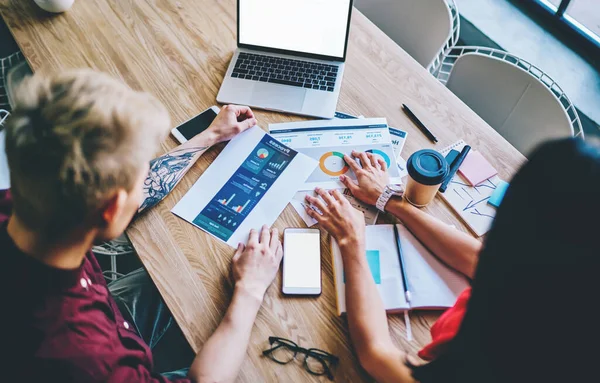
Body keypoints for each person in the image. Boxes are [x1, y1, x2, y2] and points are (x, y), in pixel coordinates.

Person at [0, 70, 283, 383]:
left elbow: (142, 189)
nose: (143, 185)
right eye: (138, 177)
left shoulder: (28, 195)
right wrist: (250, 288)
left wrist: (211, 136)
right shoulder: (93, 360)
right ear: (111, 208)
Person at [305, 138, 600, 383]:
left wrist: (352, 240)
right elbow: (478, 259)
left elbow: (377, 354)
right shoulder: (568, 277)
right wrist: (388, 200)